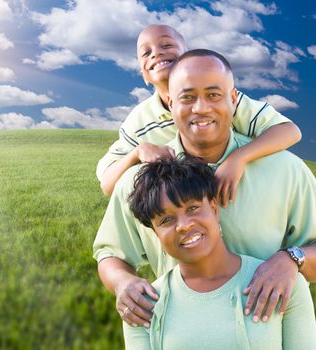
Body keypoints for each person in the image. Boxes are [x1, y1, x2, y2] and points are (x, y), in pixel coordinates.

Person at [93, 49, 316, 332]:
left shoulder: (286, 170)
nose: (200, 108)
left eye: (213, 95)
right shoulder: (140, 181)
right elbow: (110, 253)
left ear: (233, 100)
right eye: (187, 98)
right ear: (171, 103)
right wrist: (123, 282)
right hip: (183, 334)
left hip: (268, 334)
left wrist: (292, 259)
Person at [123, 156, 316, 349]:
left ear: (214, 208)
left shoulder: (283, 283)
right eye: (166, 220)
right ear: (156, 233)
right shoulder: (142, 306)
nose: (184, 225)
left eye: (193, 208)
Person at [97, 24, 301, 202]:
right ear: (143, 74)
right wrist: (137, 153)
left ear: (188, 57)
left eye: (166, 45)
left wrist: (238, 158)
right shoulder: (139, 121)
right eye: (146, 52)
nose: (156, 53)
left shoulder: (223, 99)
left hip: (241, 194)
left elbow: (289, 131)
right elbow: (107, 185)